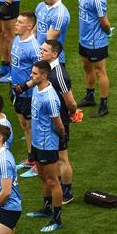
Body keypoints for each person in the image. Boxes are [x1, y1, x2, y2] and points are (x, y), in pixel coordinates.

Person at [26, 61, 66, 232]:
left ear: (44, 76)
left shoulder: (50, 98)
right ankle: (47, 209)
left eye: (34, 73)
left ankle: (57, 219)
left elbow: (59, 125)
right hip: (37, 142)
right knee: (42, 176)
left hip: (47, 144)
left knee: (52, 181)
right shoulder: (36, 88)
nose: (31, 76)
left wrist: (61, 139)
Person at [40, 40, 77, 204]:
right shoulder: (46, 69)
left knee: (62, 157)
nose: (41, 52)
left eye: (45, 50)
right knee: (53, 157)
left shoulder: (59, 74)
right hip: (47, 120)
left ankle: (67, 192)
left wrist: (71, 115)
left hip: (59, 121)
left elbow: (71, 102)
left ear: (54, 54)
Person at [76, 0, 112, 118]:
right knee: (86, 67)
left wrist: (108, 32)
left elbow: (104, 21)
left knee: (100, 71)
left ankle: (104, 105)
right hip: (84, 39)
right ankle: (90, 96)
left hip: (96, 42)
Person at [9, 12, 40, 178]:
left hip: (27, 94)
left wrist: (25, 86)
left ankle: (37, 162)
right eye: (17, 21)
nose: (16, 24)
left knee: (32, 128)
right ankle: (31, 158)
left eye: (20, 22)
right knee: (24, 126)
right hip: (16, 91)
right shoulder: (16, 39)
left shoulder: (34, 48)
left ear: (29, 26)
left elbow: (40, 74)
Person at [35, 0, 70, 64]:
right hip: (40, 54)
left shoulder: (60, 14)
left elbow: (49, 41)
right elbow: (35, 30)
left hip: (52, 59)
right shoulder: (41, 6)